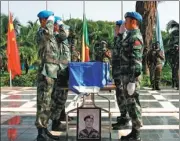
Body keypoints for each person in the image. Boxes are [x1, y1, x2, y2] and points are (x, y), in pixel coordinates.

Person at [117, 12, 144, 141]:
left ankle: (136, 134)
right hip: (126, 77)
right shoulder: (129, 36)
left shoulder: (135, 37)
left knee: (134, 105)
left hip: (131, 77)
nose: (124, 23)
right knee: (130, 105)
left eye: (126, 21)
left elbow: (136, 62)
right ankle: (134, 131)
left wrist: (132, 81)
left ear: (133, 22)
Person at [35, 10, 59, 141]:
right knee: (43, 103)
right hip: (45, 74)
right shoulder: (42, 33)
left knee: (47, 103)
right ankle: (41, 132)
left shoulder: (50, 36)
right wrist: (50, 20)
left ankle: (44, 129)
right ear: (44, 21)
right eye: (50, 21)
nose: (52, 24)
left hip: (51, 73)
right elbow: (48, 32)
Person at [112, 20, 131, 130]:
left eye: (116, 28)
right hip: (117, 73)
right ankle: (123, 116)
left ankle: (125, 119)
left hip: (121, 73)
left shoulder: (123, 38)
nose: (115, 30)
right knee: (119, 96)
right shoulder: (118, 39)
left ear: (121, 28)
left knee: (122, 96)